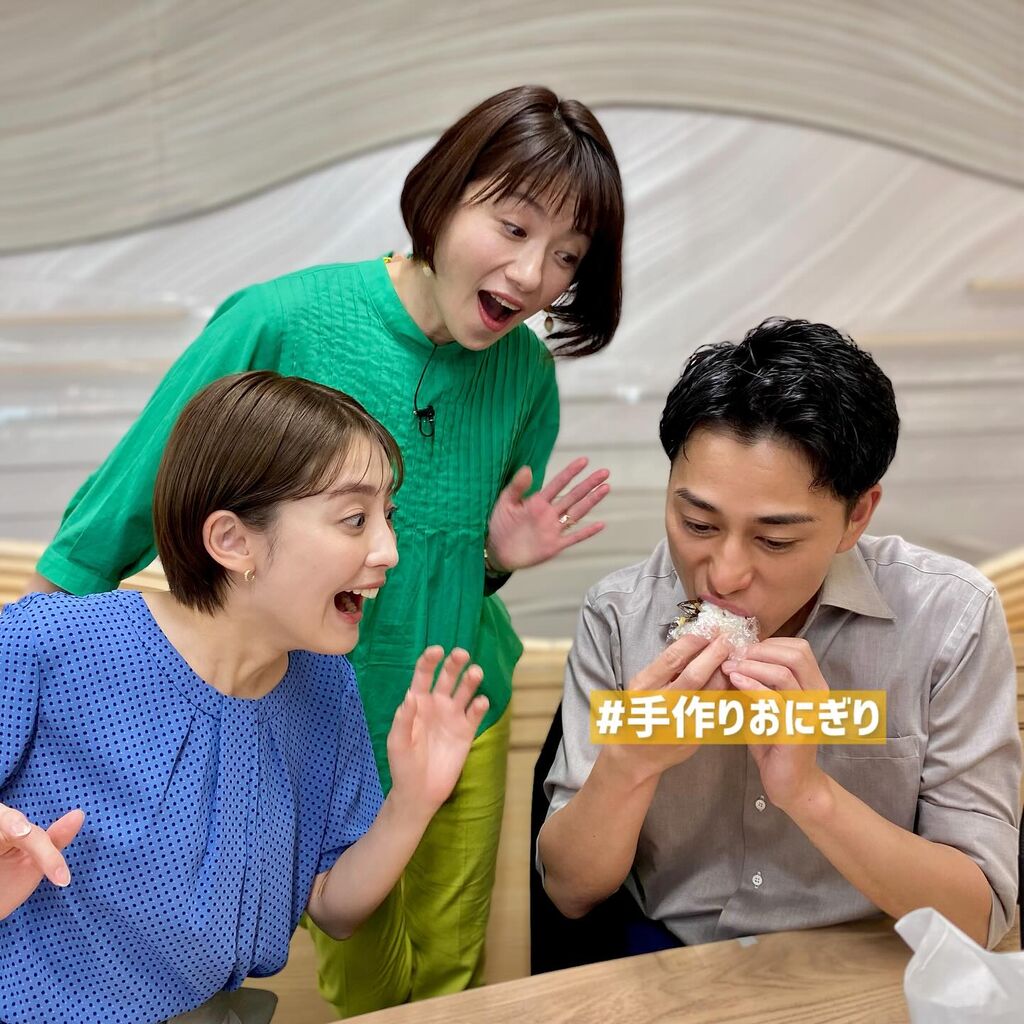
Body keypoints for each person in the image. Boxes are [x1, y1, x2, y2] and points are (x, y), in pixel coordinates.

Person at [24, 85, 625, 1014]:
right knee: (369, 986)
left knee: (452, 980)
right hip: (322, 719)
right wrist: (49, 699)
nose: (533, 273)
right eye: (512, 227)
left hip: (460, 712)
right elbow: (118, 516)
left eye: (568, 256)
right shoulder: (280, 319)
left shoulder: (527, 376)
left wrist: (498, 556)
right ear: (443, 197)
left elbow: (448, 563)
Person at [1, 371, 491, 1024]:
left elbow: (333, 907)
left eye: (387, 518)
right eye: (355, 519)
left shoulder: (326, 686)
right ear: (232, 541)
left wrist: (413, 801)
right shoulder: (47, 643)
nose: (389, 552)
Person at [538, 318, 1021, 954]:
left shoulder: (949, 619)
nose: (724, 575)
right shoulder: (619, 615)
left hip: (871, 963)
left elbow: (982, 916)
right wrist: (631, 761)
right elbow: (569, 892)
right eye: (698, 524)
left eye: (775, 540)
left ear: (857, 516)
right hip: (675, 961)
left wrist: (810, 793)